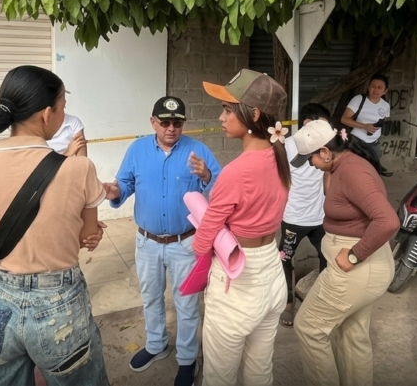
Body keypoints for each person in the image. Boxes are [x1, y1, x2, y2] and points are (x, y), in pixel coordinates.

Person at [0, 66, 109, 386]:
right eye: (63, 107)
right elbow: (86, 235)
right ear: (47, 113)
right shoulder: (79, 169)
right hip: (59, 303)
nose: (64, 116)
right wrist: (87, 231)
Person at [102, 96, 222, 386]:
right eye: (165, 122)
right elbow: (125, 185)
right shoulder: (138, 150)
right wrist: (112, 191)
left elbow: (220, 188)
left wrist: (206, 175)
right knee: (151, 297)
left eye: (177, 123)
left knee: (187, 304)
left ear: (183, 124)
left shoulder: (198, 150)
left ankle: (186, 359)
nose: (171, 128)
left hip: (185, 243)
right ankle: (156, 345)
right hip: (148, 243)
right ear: (152, 122)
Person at [195, 69, 291, 386]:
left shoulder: (235, 172)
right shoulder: (278, 157)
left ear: (252, 114)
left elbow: (201, 243)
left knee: (218, 377)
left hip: (237, 285)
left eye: (226, 108)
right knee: (260, 371)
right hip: (272, 275)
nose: (221, 117)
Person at [291, 120, 399, 386]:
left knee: (309, 327)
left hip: (359, 267)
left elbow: (388, 221)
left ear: (326, 152)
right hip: (367, 267)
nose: (311, 164)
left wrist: (354, 255)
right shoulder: (344, 165)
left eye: (311, 158)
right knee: (352, 334)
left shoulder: (352, 171)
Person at [279, 103, 332, 328]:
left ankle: (323, 303)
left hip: (321, 217)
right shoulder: (287, 147)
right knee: (285, 259)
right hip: (293, 218)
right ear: (307, 124)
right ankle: (288, 303)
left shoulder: (329, 148)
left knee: (327, 257)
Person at [341, 74, 391, 161]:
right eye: (373, 86)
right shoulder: (359, 99)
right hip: (356, 142)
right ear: (368, 87)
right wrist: (364, 126)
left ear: (385, 91)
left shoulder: (385, 105)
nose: (375, 90)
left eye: (379, 87)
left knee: (373, 169)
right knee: (355, 168)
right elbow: (344, 119)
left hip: (374, 144)